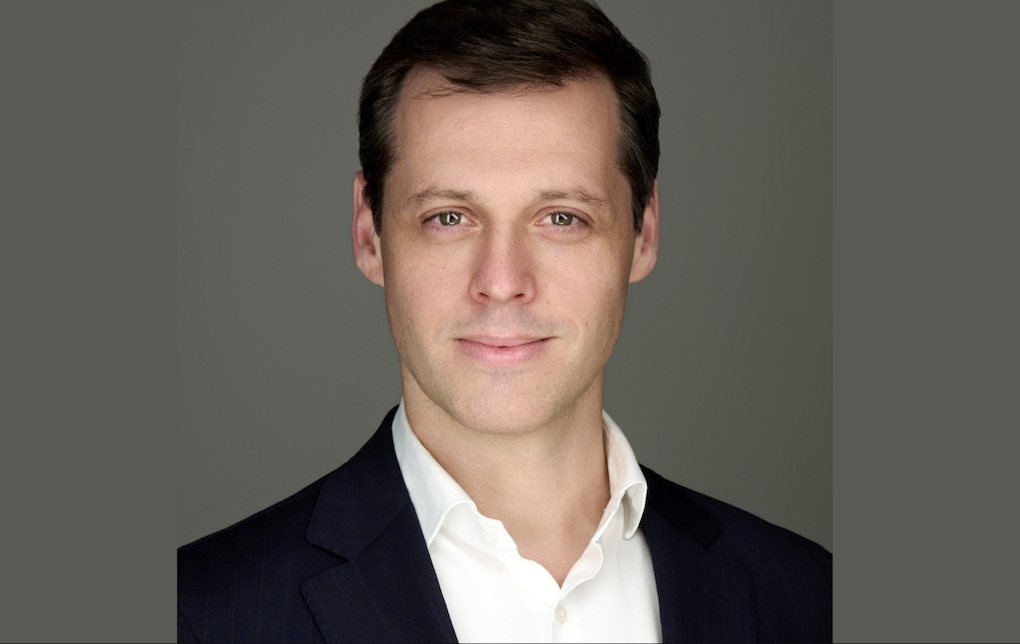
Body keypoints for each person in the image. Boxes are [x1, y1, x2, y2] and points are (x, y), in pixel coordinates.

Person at [177, 0, 832, 641]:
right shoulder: (198, 616)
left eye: (562, 218)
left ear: (644, 233)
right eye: (449, 218)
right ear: (369, 233)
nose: (501, 281)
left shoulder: (811, 600)